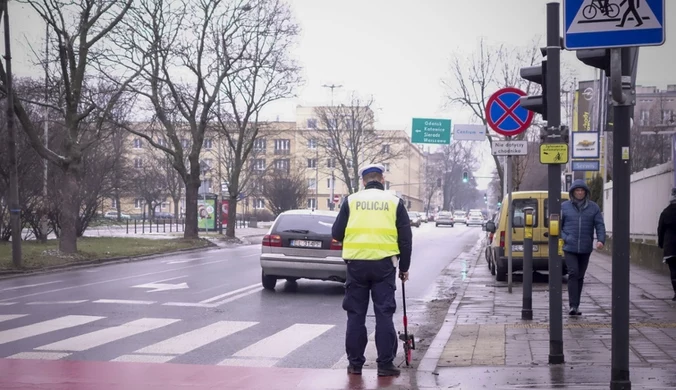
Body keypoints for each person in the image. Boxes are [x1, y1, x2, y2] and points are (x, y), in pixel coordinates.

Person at [331, 163, 412, 377]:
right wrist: (404, 268)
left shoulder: (351, 201)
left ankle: (355, 365)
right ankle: (385, 365)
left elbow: (337, 233)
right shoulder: (395, 202)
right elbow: (406, 239)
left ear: (363, 182)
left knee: (356, 315)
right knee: (384, 314)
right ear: (382, 180)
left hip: (356, 266)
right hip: (384, 266)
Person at [560, 179, 606, 316]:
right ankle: (572, 306)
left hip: (585, 247)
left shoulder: (593, 207)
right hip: (570, 247)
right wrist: (566, 237)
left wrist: (601, 240)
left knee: (580, 276)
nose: (579, 193)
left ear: (586, 192)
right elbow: (557, 226)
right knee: (573, 273)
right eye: (577, 190)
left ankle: (576, 305)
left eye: (582, 190)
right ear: (573, 192)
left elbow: (599, 225)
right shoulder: (564, 207)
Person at [657, 187, 676, 301]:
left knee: (673, 269)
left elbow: (661, 230)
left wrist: (661, 244)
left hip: (670, 246)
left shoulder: (666, 212)